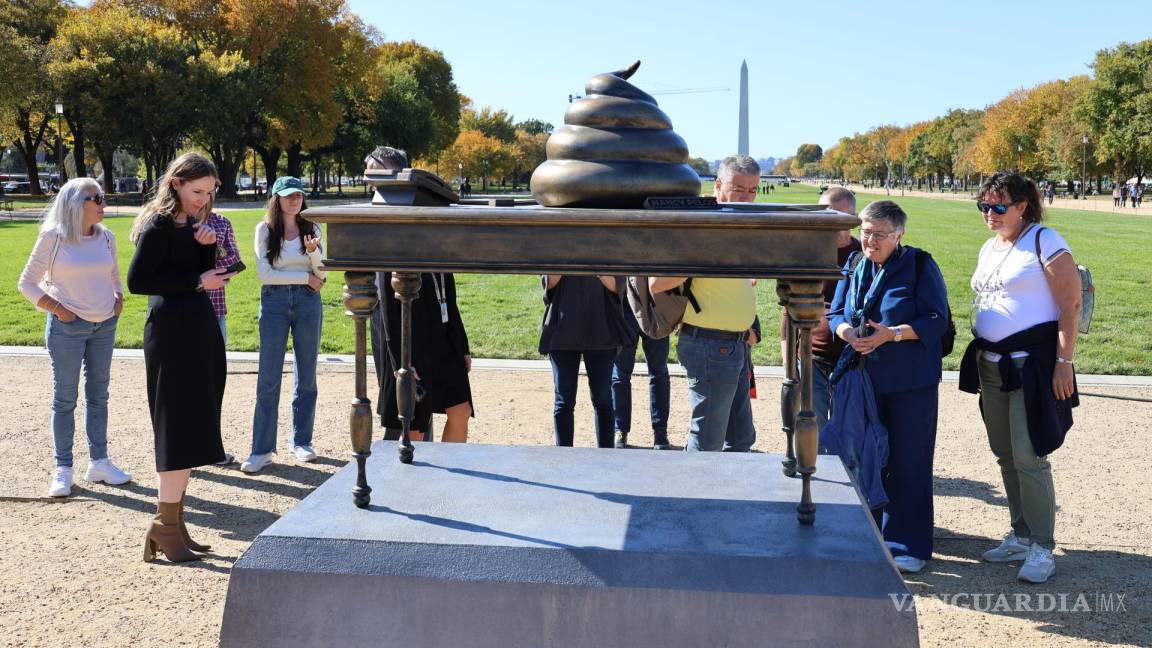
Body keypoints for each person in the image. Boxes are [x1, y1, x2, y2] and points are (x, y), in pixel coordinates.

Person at [959, 172, 1081, 584]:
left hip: (1033, 364)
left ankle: (1042, 546)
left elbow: (1071, 303)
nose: (990, 214)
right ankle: (1021, 532)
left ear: (1022, 206)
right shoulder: (990, 246)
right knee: (1004, 453)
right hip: (992, 363)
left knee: (1029, 455)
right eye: (984, 207)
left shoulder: (1046, 240)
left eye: (998, 207)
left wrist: (1064, 362)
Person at [827, 200, 950, 574]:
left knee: (908, 462)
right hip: (862, 381)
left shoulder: (918, 264)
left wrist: (890, 335)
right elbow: (834, 313)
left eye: (879, 234)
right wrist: (848, 333)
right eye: (865, 231)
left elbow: (936, 319)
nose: (870, 240)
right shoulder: (853, 265)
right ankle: (870, 536)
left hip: (910, 383)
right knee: (866, 459)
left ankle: (908, 544)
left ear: (899, 235)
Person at [127, 152, 235, 563]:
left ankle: (174, 522)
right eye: (196, 191)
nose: (202, 200)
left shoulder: (195, 223)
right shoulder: (158, 223)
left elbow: (197, 278)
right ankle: (165, 526)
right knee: (177, 429)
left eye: (208, 193)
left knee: (192, 427)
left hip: (196, 329)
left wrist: (207, 252)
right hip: (172, 335)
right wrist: (198, 279)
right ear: (175, 183)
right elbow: (140, 282)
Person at [18, 178, 131, 498]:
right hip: (67, 328)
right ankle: (63, 468)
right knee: (65, 399)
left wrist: (118, 298)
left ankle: (99, 462)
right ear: (75, 203)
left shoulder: (106, 237)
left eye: (103, 197)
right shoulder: (53, 237)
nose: (102, 204)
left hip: (104, 326)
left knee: (99, 396)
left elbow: (113, 274)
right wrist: (57, 308)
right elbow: (26, 284)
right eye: (95, 198)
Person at [650, 154, 761, 452]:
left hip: (734, 345)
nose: (748, 197)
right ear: (718, 185)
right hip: (712, 345)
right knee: (708, 441)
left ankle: (726, 497)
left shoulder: (736, 222)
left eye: (753, 190)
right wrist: (706, 255)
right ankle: (696, 499)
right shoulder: (698, 224)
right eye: (739, 189)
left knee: (740, 439)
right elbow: (656, 282)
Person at [241, 177, 327, 473]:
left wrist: (314, 252)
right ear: (276, 199)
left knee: (307, 375)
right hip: (275, 302)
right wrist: (305, 278)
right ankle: (261, 449)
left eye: (299, 195)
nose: (294, 200)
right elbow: (265, 275)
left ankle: (301, 441)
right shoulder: (265, 230)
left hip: (307, 303)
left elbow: (322, 275)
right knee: (268, 378)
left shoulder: (312, 228)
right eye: (288, 196)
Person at [779, 186, 861, 435]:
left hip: (850, 359)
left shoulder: (863, 256)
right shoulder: (806, 254)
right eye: (824, 216)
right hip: (810, 357)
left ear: (854, 219)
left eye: (837, 217)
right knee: (812, 430)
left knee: (847, 431)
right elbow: (788, 309)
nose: (829, 223)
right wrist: (787, 360)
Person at [378, 271, 474, 442]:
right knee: (416, 427)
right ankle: (412, 469)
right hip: (411, 345)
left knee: (461, 410)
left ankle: (450, 466)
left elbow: (449, 298)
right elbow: (388, 310)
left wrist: (463, 346)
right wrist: (401, 361)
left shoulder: (440, 245)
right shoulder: (392, 245)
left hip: (445, 341)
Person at [540, 274, 632, 448]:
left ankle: (605, 456)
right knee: (564, 400)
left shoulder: (608, 247)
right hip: (562, 329)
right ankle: (564, 455)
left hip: (601, 330)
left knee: (603, 399)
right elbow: (548, 285)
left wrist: (594, 264)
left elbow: (618, 286)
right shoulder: (555, 246)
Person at [202, 209, 241, 466]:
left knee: (213, 384)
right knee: (182, 385)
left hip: (216, 312)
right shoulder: (173, 221)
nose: (205, 196)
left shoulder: (220, 222)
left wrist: (215, 267)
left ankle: (211, 449)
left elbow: (235, 261)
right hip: (179, 315)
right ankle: (182, 451)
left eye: (209, 189)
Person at [611, 307, 671, 450]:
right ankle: (620, 430)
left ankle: (660, 432)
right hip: (623, 310)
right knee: (620, 376)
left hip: (655, 310)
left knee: (659, 374)